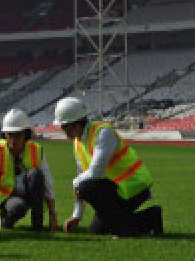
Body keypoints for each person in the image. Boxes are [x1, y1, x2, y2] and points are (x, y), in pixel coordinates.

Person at [54, 96, 163, 238]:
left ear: (76, 125)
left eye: (65, 128)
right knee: (97, 230)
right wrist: (76, 215)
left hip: (135, 186)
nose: (64, 133)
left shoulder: (103, 133)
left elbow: (95, 173)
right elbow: (82, 175)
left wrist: (76, 183)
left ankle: (125, 231)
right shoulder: (78, 143)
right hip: (116, 189)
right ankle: (151, 217)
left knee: (85, 187)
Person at [0, 108, 59, 234]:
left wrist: (53, 215)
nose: (13, 139)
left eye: (18, 135)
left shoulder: (36, 150)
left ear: (26, 134)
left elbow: (48, 183)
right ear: (4, 135)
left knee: (36, 174)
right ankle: (6, 220)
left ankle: (37, 224)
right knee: (17, 207)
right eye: (9, 135)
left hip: (27, 191)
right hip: (6, 198)